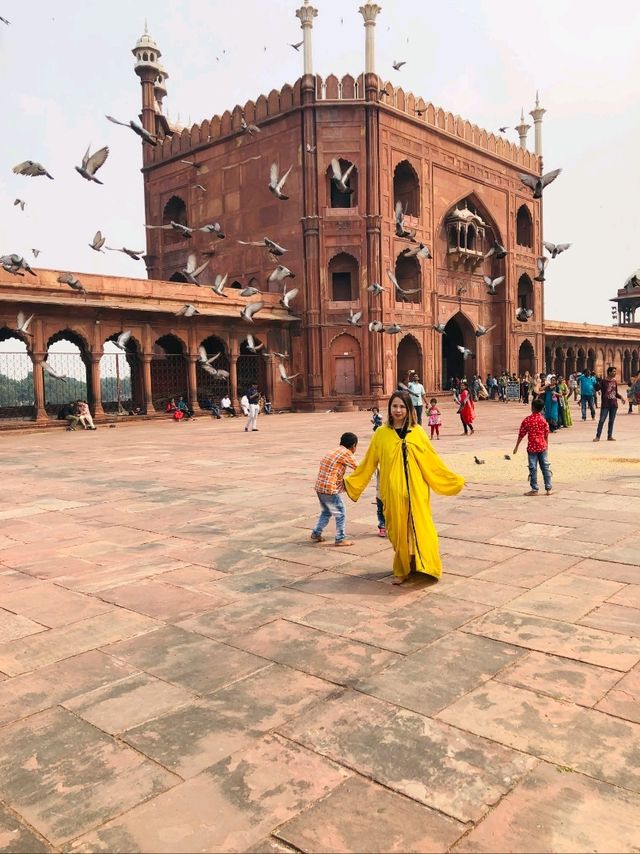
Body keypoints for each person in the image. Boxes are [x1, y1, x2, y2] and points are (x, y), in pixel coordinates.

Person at [345, 392, 464, 584]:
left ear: (409, 410)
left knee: (421, 527)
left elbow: (432, 462)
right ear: (390, 409)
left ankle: (425, 564)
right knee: (398, 532)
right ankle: (403, 567)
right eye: (395, 406)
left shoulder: (417, 432)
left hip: (417, 491)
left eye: (402, 407)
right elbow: (368, 462)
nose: (398, 410)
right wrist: (351, 483)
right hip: (392, 492)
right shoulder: (381, 434)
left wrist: (453, 480)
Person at [311, 431, 358, 546]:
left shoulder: (334, 450)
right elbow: (359, 468)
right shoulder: (346, 453)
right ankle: (340, 539)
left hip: (320, 487)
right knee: (340, 513)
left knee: (326, 511)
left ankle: (316, 533)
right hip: (330, 488)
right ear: (354, 445)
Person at [513, 397, 553, 497]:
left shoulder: (528, 420)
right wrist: (546, 445)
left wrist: (516, 446)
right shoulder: (543, 420)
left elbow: (521, 434)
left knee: (533, 468)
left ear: (532, 408)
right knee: (545, 467)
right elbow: (546, 434)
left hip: (532, 448)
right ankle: (548, 488)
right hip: (542, 447)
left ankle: (534, 489)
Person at [594, 367, 624, 441]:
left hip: (614, 404)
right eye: (613, 371)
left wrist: (621, 397)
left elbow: (615, 393)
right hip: (605, 404)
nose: (615, 373)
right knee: (601, 420)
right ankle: (598, 436)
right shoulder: (603, 381)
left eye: (615, 371)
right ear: (609, 372)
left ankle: (609, 436)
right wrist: (597, 383)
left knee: (611, 421)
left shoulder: (614, 381)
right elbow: (597, 388)